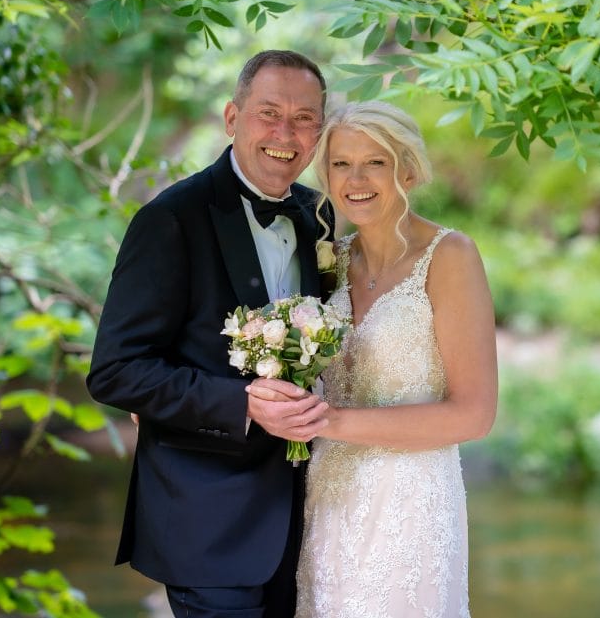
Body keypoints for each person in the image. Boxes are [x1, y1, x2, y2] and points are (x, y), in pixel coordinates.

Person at [87, 50, 335, 618]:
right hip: (207, 520)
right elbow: (115, 370)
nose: (285, 133)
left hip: (308, 520)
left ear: (319, 132)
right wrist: (240, 403)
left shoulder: (319, 215)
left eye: (304, 119)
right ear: (232, 118)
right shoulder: (170, 220)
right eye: (268, 113)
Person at [248, 101, 498, 617]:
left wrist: (330, 421)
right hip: (326, 499)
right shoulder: (328, 260)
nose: (355, 179)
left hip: (410, 503)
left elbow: (474, 414)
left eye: (375, 163)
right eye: (341, 164)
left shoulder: (450, 256)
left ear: (406, 168)